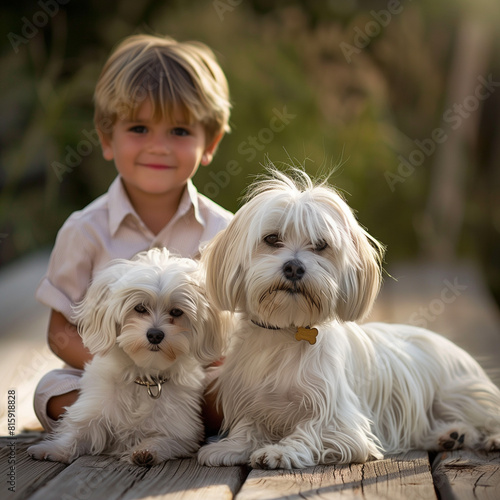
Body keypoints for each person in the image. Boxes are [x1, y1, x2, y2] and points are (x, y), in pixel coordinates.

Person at [33, 33, 232, 434]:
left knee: (231, 392)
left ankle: (162, 429)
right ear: (107, 138)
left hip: (191, 380)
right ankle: (119, 425)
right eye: (139, 128)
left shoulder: (225, 232)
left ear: (209, 143)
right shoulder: (83, 230)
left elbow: (233, 335)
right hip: (104, 378)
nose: (158, 147)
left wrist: (195, 367)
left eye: (179, 132)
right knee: (51, 393)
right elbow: (59, 332)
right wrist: (124, 370)